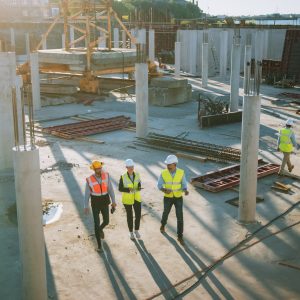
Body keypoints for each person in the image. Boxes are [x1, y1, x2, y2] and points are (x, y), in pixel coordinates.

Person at [84, 160, 116, 252]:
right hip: (95, 202)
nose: (99, 170)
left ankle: (100, 229)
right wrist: (85, 206)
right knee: (96, 224)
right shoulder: (89, 179)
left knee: (106, 221)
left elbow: (110, 189)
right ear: (94, 169)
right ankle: (99, 246)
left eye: (100, 168)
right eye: (97, 168)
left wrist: (113, 201)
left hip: (105, 200)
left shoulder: (106, 176)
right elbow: (87, 194)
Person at [157, 154, 189, 246]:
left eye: (169, 164)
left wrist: (185, 190)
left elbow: (184, 185)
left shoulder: (181, 172)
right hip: (167, 198)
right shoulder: (163, 173)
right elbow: (159, 185)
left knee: (180, 217)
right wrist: (164, 189)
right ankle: (163, 225)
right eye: (167, 164)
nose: (167, 166)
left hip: (178, 197)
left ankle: (180, 236)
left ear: (175, 164)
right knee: (165, 212)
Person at [118, 159, 142, 240]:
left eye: (132, 166)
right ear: (126, 167)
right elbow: (120, 188)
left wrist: (139, 188)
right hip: (127, 199)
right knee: (130, 216)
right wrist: (128, 190)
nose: (131, 168)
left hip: (136, 198)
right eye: (129, 167)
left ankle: (136, 230)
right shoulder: (123, 176)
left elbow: (139, 184)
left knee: (138, 215)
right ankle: (131, 232)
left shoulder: (137, 175)